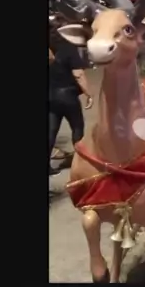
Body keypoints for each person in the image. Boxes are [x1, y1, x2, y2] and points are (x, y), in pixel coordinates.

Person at [49, 16, 92, 176]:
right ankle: (80, 161)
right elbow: (78, 74)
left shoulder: (49, 48)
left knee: (51, 130)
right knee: (77, 127)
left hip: (51, 95)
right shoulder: (68, 48)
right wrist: (89, 94)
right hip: (68, 96)